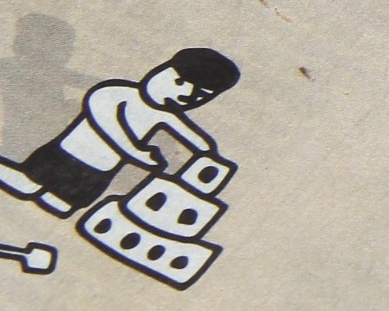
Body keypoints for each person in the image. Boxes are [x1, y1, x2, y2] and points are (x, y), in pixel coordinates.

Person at [0, 49, 236, 218]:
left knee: (59, 206)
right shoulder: (116, 93)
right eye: (179, 83)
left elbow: (194, 138)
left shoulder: (164, 114)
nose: (185, 97)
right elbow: (107, 125)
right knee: (27, 184)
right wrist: (135, 152)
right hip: (63, 156)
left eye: (199, 97)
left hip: (97, 174)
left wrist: (207, 153)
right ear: (163, 69)